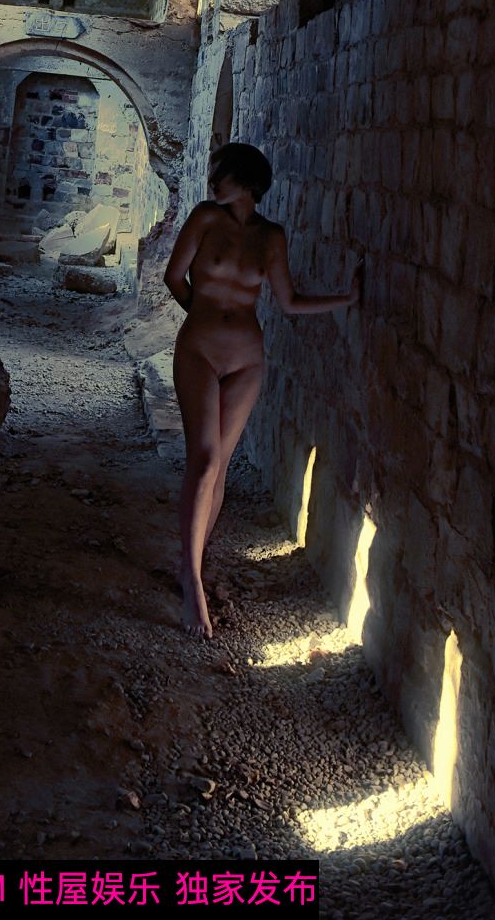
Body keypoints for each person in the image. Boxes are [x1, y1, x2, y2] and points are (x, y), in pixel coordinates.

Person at [162, 141, 361, 638]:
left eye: (223, 174)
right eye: (213, 173)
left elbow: (288, 302)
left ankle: (193, 562)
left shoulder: (271, 236)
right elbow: (174, 277)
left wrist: (347, 298)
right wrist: (205, 319)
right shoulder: (205, 217)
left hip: (247, 360)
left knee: (221, 466)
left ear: (249, 181)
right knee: (204, 460)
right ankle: (192, 584)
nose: (213, 181)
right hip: (200, 351)